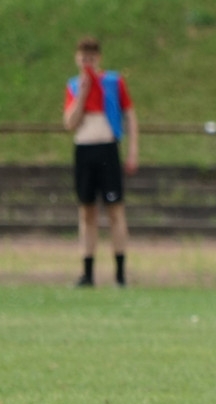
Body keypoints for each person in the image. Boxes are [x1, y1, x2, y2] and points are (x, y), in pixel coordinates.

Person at [63, 36, 139, 288]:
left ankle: (120, 273)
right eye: (83, 58)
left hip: (107, 148)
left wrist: (133, 150)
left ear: (99, 59)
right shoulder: (74, 86)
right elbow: (69, 123)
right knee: (87, 211)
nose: (88, 63)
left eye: (91, 58)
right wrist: (83, 94)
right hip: (84, 149)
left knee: (115, 209)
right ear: (77, 59)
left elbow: (130, 115)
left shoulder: (112, 82)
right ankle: (87, 272)